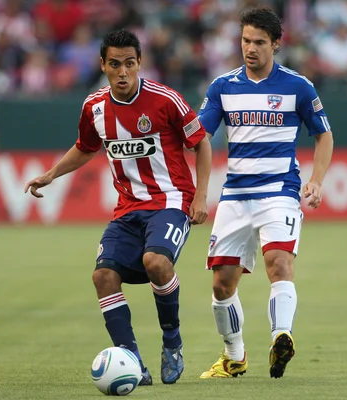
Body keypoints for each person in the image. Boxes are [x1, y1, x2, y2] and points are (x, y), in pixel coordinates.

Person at [24, 28, 212, 385]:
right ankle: (132, 362)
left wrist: (201, 196)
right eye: (115, 65)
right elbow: (85, 146)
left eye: (129, 64)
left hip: (170, 201)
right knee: (103, 276)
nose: (123, 72)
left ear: (140, 62)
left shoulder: (165, 99)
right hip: (127, 209)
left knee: (155, 262)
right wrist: (51, 174)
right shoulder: (94, 107)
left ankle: (172, 341)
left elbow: (201, 142)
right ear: (103, 65)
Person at [197, 8, 334, 379]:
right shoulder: (222, 87)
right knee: (222, 283)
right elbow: (199, 138)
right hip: (236, 194)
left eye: (259, 42)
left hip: (280, 190)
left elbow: (323, 135)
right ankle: (234, 356)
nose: (250, 48)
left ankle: (281, 337)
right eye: (245, 41)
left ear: (276, 43)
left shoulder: (298, 86)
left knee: (279, 264)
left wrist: (316, 180)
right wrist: (195, 190)